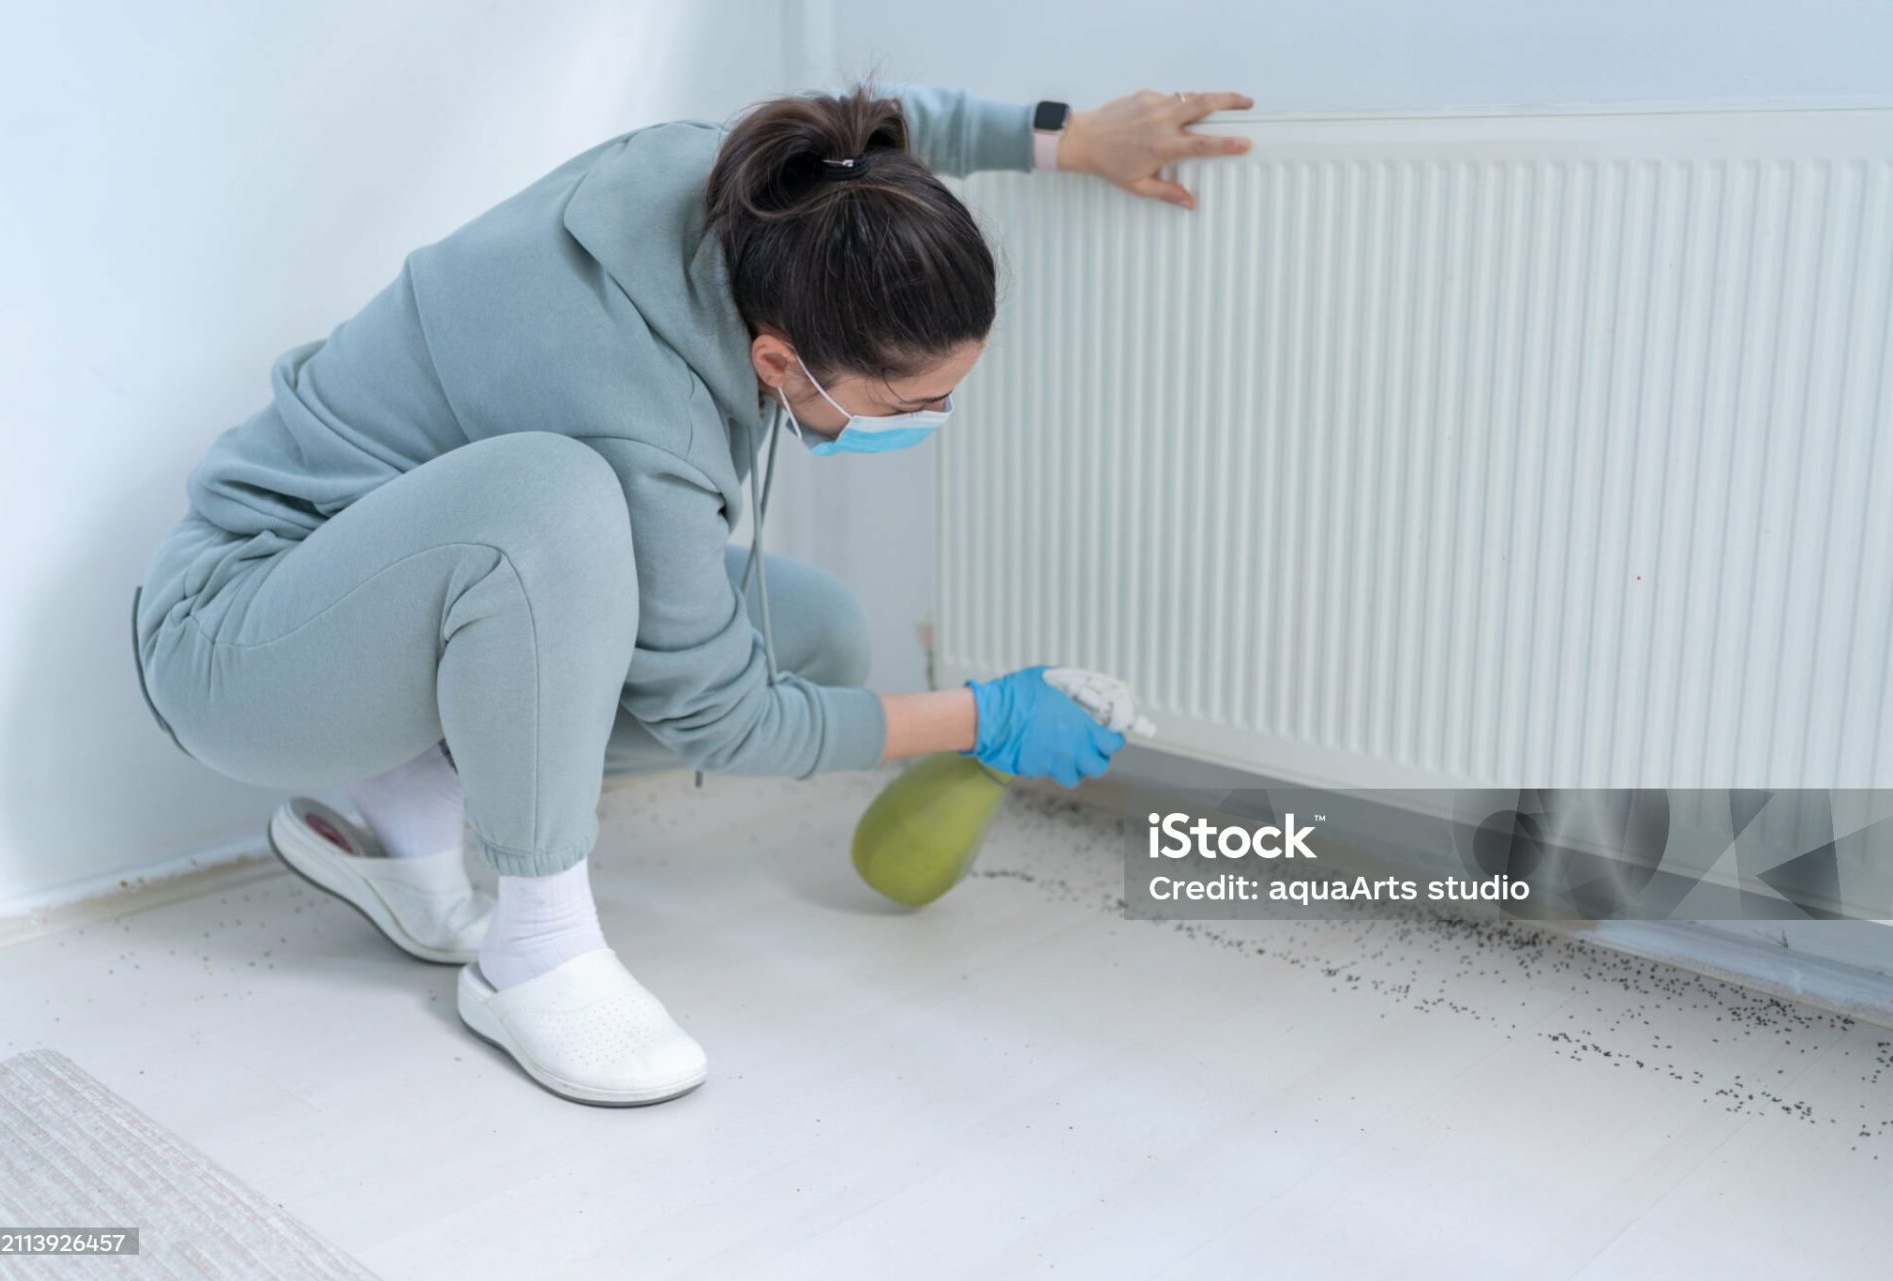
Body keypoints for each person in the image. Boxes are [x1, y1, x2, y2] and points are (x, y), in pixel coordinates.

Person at [130, 80, 1255, 1106]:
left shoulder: (749, 189)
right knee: (552, 497)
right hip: (242, 642)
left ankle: (400, 799)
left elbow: (870, 131)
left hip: (400, 595)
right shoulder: (637, 411)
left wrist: (1061, 140)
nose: (925, 425)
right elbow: (717, 715)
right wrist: (984, 714)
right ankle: (537, 949)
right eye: (906, 402)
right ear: (779, 363)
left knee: (814, 632)